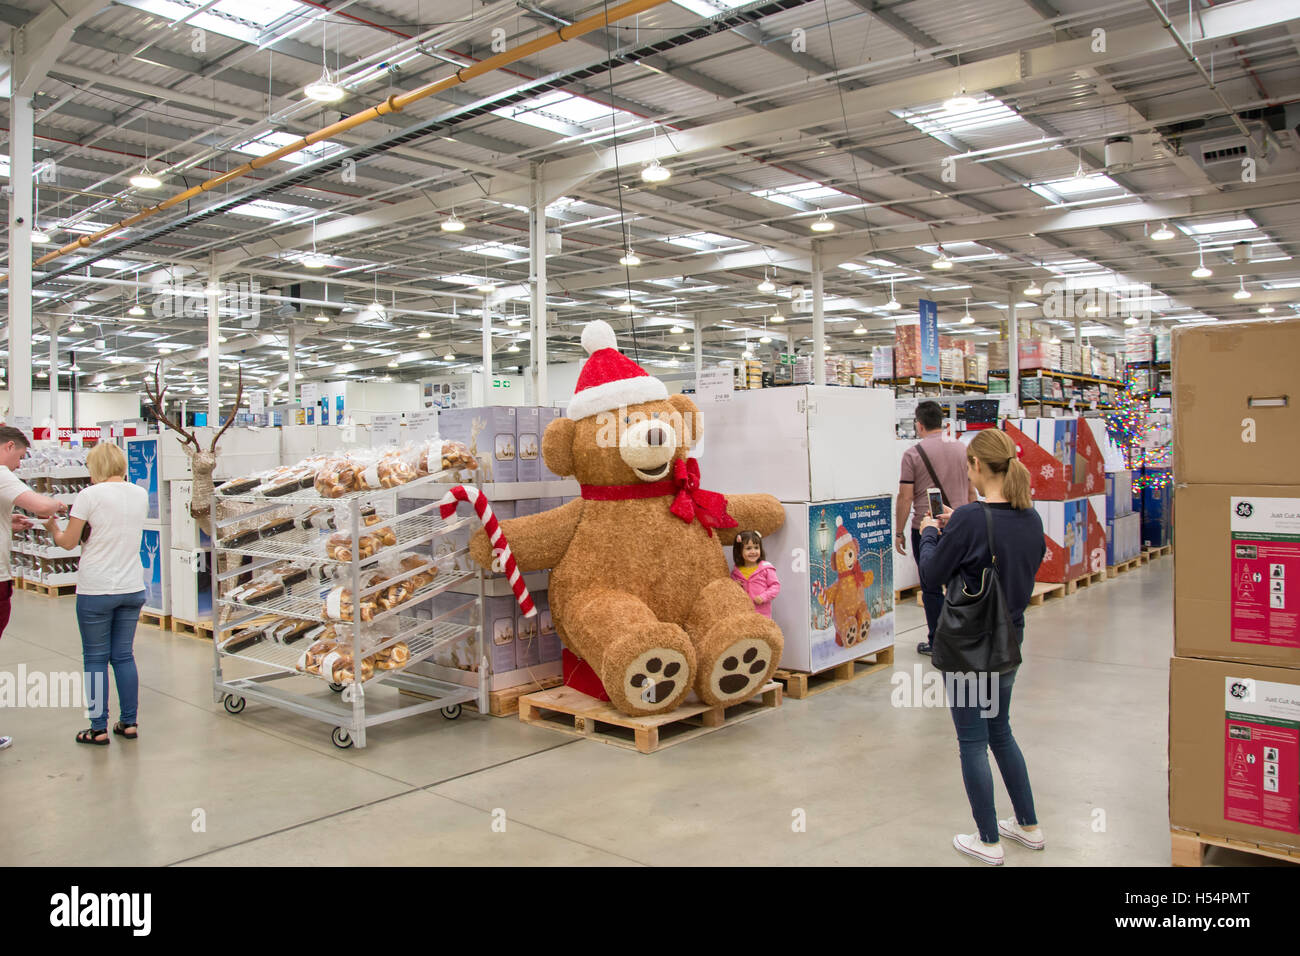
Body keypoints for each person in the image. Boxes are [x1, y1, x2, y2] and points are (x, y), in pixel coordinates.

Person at [917, 428, 1047, 866]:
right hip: (1010, 640)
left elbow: (932, 575)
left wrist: (931, 532)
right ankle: (1028, 825)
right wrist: (959, 526)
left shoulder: (972, 519)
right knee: (1001, 731)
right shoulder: (1030, 516)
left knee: (971, 740)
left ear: (975, 467)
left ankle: (988, 839)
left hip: (971, 647)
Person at [45, 442, 148, 746]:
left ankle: (97, 727)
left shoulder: (88, 495)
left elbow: (68, 542)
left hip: (96, 588)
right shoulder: (139, 493)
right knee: (124, 656)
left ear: (96, 467)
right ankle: (129, 722)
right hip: (132, 586)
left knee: (95, 658)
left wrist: (53, 526)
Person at [0, 426, 69, 751]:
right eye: (20, 457)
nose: (19, 465)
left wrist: (6, 521)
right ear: (8, 446)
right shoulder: (0, 472)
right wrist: (60, 505)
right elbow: (40, 506)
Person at [895, 400, 973, 655]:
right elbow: (972, 490)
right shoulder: (962, 449)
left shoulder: (913, 454)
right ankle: (961, 637)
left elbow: (905, 496)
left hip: (927, 528)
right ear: (943, 422)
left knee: (930, 586)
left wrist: (899, 531)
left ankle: (939, 641)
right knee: (960, 584)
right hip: (961, 525)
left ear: (919, 424)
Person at [731, 531, 780, 619]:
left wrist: (763, 597)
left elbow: (775, 586)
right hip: (742, 615)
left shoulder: (766, 568)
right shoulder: (736, 572)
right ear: (739, 551)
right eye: (748, 548)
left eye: (756, 547)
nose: (753, 551)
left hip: (762, 615)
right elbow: (731, 592)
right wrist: (735, 585)